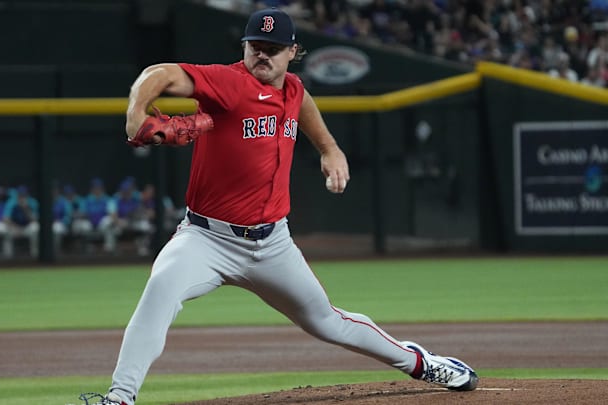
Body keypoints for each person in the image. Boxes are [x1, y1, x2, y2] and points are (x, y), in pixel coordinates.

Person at [81, 8, 478, 405]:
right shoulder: (229, 84)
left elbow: (302, 103)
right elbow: (160, 73)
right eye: (256, 47)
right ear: (245, 48)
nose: (262, 56)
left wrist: (330, 149)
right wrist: (136, 113)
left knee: (328, 322)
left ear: (293, 51)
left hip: (273, 246)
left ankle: (420, 363)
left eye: (273, 49)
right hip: (206, 239)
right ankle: (120, 397)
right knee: (160, 291)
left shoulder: (292, 89)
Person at [2, 185, 40, 258]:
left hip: (27, 228)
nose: (22, 196)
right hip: (14, 228)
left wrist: (25, 208)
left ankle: (35, 255)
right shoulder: (11, 202)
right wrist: (15, 227)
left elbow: (35, 219)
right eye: (20, 194)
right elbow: (5, 219)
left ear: (27, 194)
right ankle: (8, 257)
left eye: (24, 194)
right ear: (17, 194)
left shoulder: (32, 202)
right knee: (5, 230)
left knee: (35, 227)